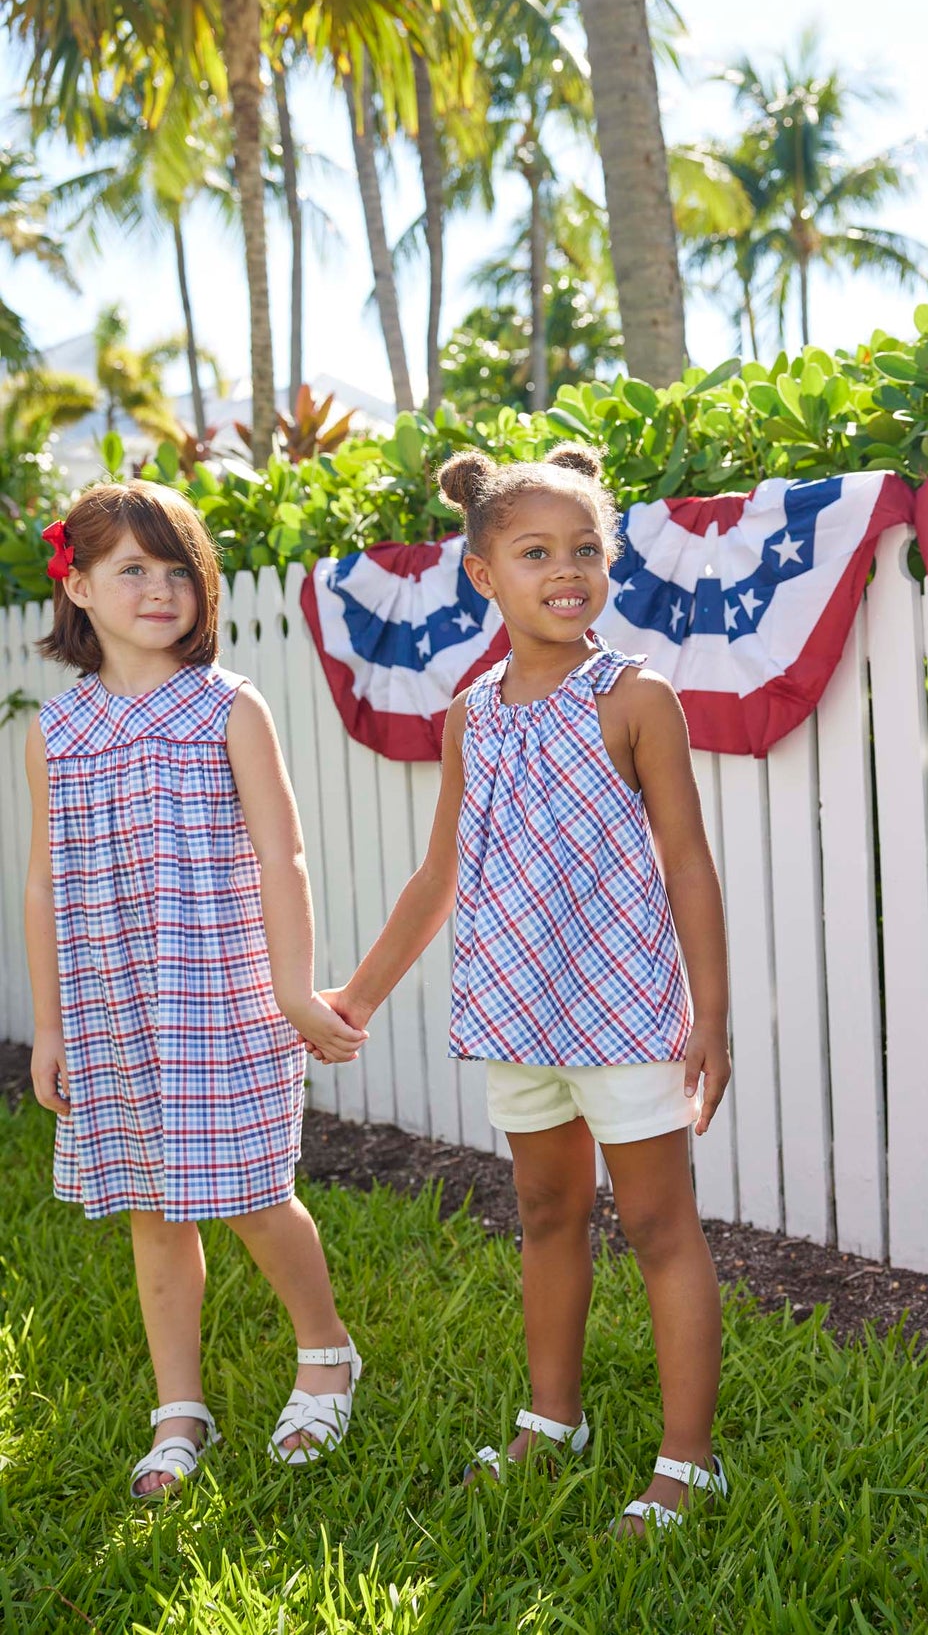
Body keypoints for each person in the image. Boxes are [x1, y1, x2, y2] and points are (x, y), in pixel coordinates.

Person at [323, 444, 732, 1534]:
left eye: (587, 549)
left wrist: (713, 1016)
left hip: (627, 1016)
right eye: (537, 550)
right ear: (483, 574)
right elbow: (438, 872)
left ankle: (688, 1462)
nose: (568, 569)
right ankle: (553, 1421)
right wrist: (355, 998)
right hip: (517, 1015)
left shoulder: (634, 694)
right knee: (547, 1211)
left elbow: (688, 862)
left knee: (656, 1221)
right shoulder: (473, 715)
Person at [24, 481, 368, 1500]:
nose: (161, 587)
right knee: (150, 1205)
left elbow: (283, 854)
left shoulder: (227, 704)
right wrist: (49, 1024)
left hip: (219, 993)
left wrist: (294, 988)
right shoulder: (59, 730)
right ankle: (179, 1406)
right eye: (132, 568)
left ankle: (326, 1348)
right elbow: (45, 881)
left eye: (179, 569)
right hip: (111, 1002)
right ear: (78, 585)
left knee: (256, 1192)